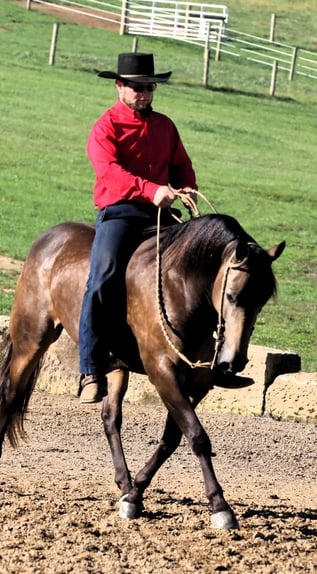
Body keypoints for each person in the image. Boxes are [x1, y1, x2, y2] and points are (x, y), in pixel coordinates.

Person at [78, 52, 198, 404]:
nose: (143, 93)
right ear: (119, 86)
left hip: (161, 214)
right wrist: (152, 189)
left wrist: (187, 187)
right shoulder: (105, 127)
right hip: (120, 211)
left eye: (149, 87)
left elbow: (181, 164)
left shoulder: (165, 126)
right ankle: (90, 368)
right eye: (136, 88)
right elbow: (110, 172)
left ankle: (202, 358)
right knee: (101, 279)